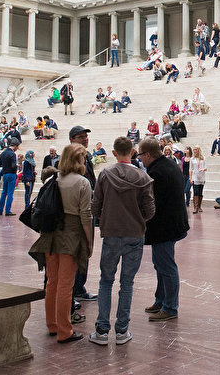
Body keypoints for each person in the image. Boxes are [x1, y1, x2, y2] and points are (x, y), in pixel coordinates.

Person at [89, 137, 155, 346]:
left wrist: (105, 219)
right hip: (134, 235)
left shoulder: (105, 175)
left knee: (106, 281)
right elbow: (150, 210)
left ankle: (101, 331)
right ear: (133, 152)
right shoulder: (142, 177)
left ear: (114, 152)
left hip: (111, 233)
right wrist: (137, 220)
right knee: (127, 283)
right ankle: (121, 331)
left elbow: (95, 205)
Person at [28, 144, 93, 343]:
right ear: (77, 160)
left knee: (52, 282)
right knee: (66, 285)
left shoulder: (53, 179)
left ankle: (52, 324)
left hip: (51, 234)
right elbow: (86, 215)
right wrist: (89, 241)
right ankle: (65, 330)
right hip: (71, 235)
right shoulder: (82, 182)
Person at [138, 137, 189, 321]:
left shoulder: (158, 171)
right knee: (160, 265)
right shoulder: (166, 164)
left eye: (141, 155)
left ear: (148, 154)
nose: (140, 158)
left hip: (164, 227)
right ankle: (161, 301)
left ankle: (170, 307)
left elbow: (153, 203)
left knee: (166, 267)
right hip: (169, 225)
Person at [68, 125, 97, 306]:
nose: (85, 139)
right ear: (72, 139)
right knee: (77, 251)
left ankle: (79, 288)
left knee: (84, 252)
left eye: (86, 136)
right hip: (76, 213)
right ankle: (72, 291)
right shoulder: (68, 160)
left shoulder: (87, 157)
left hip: (87, 206)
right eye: (81, 137)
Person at [0, 138, 20, 216]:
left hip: (5, 174)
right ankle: (8, 210)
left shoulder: (3, 153)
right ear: (16, 146)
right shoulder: (12, 154)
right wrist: (16, 167)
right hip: (11, 173)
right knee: (10, 193)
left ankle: (0, 210)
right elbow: (13, 165)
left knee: (4, 192)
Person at [189, 146, 206, 214]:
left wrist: (203, 169)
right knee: (195, 191)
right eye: (194, 150)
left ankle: (199, 206)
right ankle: (195, 207)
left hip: (201, 177)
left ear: (199, 150)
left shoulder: (203, 158)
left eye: (196, 149)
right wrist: (190, 178)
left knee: (200, 192)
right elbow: (190, 169)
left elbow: (205, 167)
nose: (195, 151)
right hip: (195, 176)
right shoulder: (192, 159)